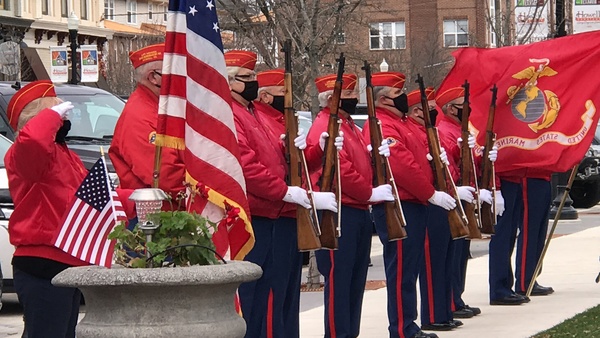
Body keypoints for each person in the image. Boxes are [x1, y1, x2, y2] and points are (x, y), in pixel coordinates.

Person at [225, 50, 337, 338]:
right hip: (263, 216)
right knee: (263, 299)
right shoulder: (233, 115)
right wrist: (286, 192)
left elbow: (285, 164)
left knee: (284, 296)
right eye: (247, 77)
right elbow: (247, 168)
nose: (254, 81)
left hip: (279, 215)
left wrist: (313, 151)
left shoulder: (253, 114)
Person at [307, 72, 394, 338]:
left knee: (355, 280)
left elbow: (360, 164)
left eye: (355, 93)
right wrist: (370, 192)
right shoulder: (325, 126)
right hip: (338, 213)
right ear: (331, 99)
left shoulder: (348, 126)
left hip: (356, 211)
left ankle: (349, 333)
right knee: (340, 280)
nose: (354, 98)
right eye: (348, 95)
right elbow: (340, 170)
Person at [5, 80, 88, 338]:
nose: (64, 115)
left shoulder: (63, 153)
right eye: (58, 110)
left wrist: (137, 200)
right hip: (43, 264)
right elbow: (32, 140)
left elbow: (90, 196)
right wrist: (50, 116)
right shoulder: (26, 152)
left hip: (66, 262)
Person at [109, 43, 186, 212]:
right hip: (153, 220)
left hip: (166, 214)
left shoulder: (158, 108)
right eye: (174, 71)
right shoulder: (140, 116)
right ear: (153, 77)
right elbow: (165, 175)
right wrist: (203, 193)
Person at [435, 86, 487, 319]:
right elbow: (451, 167)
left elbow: (468, 163)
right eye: (461, 105)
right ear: (450, 108)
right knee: (454, 253)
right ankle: (452, 299)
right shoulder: (446, 131)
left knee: (461, 251)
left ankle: (457, 297)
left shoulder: (458, 129)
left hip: (463, 196)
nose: (467, 109)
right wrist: (458, 190)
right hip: (454, 198)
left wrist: (482, 156)